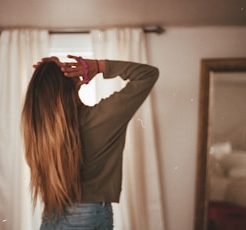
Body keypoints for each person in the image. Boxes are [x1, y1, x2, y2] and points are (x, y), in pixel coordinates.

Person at [21, 55, 159, 229]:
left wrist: (46, 74)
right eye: (66, 69)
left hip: (51, 215)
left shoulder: (37, 128)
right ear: (74, 83)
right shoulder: (102, 118)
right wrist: (100, 66)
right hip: (89, 216)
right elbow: (148, 74)